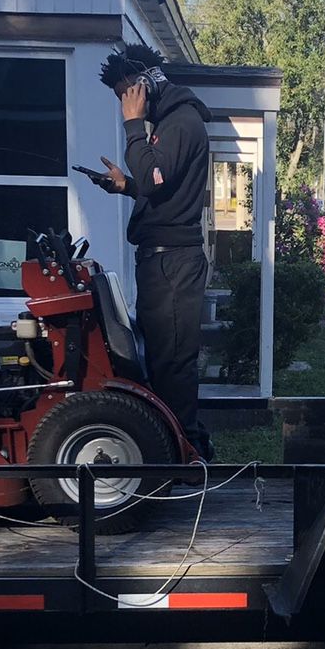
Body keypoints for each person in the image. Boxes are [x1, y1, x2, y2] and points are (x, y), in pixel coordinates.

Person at [93, 46, 215, 460]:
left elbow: (153, 175)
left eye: (127, 93)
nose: (126, 104)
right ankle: (180, 449)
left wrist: (132, 127)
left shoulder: (181, 122)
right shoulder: (168, 123)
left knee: (172, 363)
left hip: (173, 265)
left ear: (146, 83)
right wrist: (124, 186)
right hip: (161, 261)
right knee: (161, 359)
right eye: (121, 99)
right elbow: (156, 186)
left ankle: (182, 458)